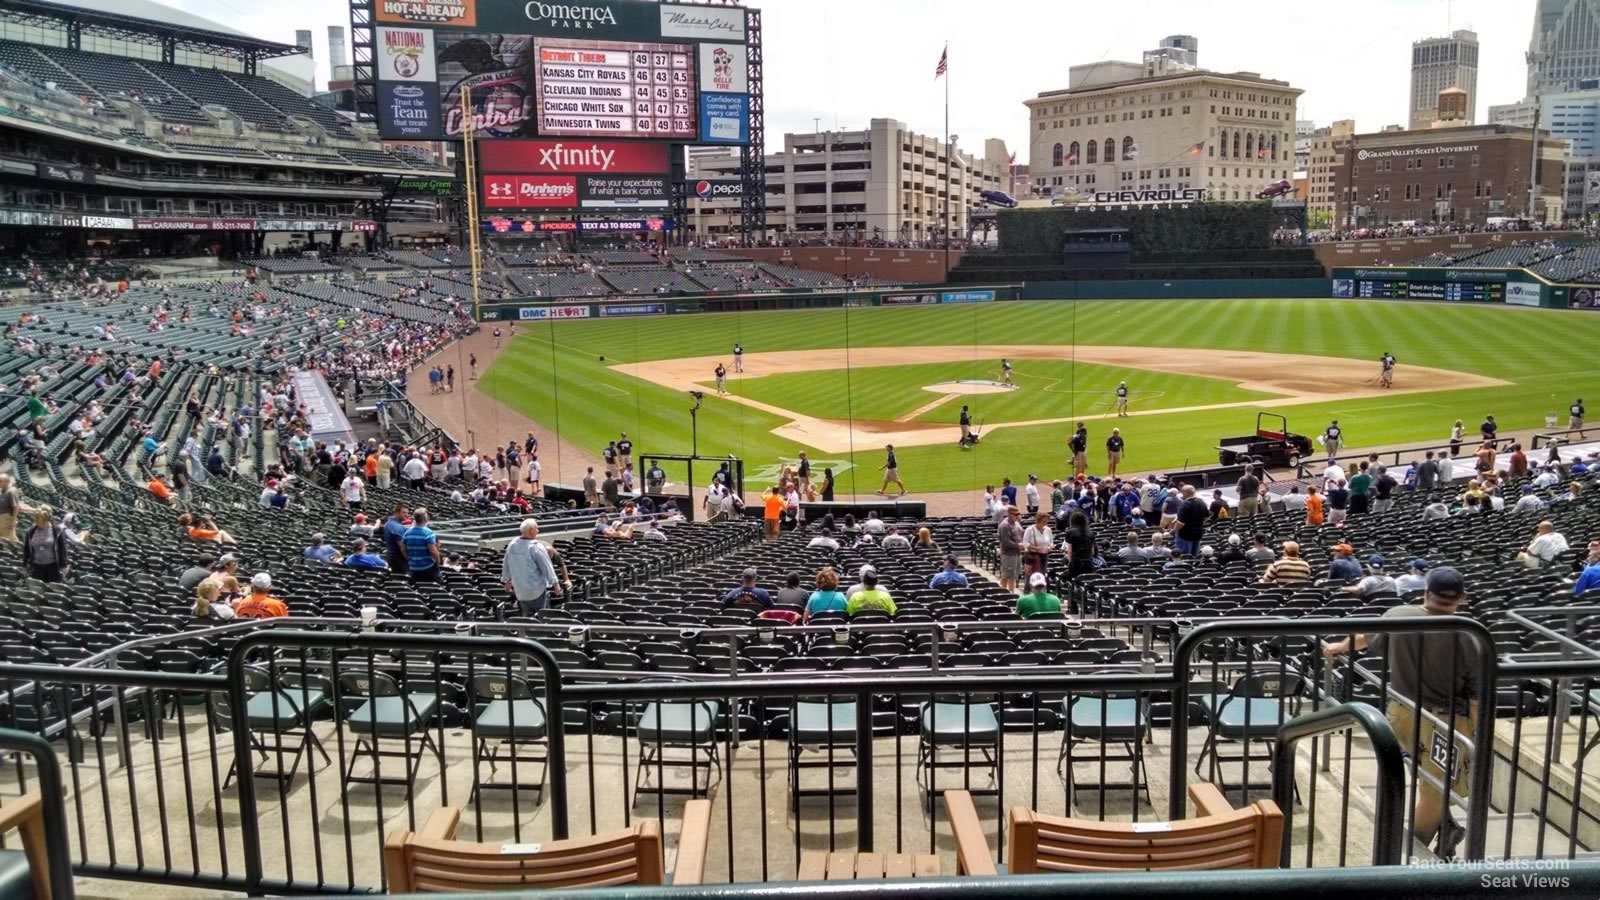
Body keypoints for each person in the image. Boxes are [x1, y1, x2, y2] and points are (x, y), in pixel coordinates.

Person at [1323, 567, 1477, 858]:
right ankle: (1410, 856)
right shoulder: (1471, 633)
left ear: (1426, 592)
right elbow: (1476, 701)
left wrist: (1338, 647)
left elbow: (1362, 639)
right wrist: (1479, 736)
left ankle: (1441, 829)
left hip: (1400, 715)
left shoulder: (1399, 614)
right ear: (1463, 597)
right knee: (1434, 792)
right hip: (1447, 725)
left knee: (1424, 784)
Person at [502, 519, 559, 616]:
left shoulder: (512, 545)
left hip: (520, 590)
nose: (538, 531)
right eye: (536, 528)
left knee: (527, 617)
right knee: (540, 616)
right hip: (536, 590)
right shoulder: (536, 547)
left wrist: (507, 581)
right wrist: (556, 584)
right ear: (531, 530)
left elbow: (506, 564)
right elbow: (546, 567)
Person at [23, 506, 69, 582]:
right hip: (36, 567)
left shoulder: (57, 531)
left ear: (47, 519)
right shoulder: (31, 531)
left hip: (53, 567)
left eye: (42, 521)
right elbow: (26, 549)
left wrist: (64, 565)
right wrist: (24, 565)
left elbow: (63, 549)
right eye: (37, 521)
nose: (39, 524)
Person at [402, 507, 440, 583]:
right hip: (427, 568)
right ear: (425, 518)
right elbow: (433, 551)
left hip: (413, 568)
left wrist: (409, 559)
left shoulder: (407, 532)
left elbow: (403, 549)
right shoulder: (429, 533)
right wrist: (438, 562)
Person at [1172, 485, 1208, 556]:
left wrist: (1173, 531)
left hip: (1185, 536)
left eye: (1182, 492)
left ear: (1186, 493)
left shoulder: (1185, 505)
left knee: (1185, 557)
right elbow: (1206, 517)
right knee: (1194, 556)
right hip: (1197, 534)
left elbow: (1180, 523)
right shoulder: (1201, 502)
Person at [997, 506, 1024, 591]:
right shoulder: (1004, 525)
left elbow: (1021, 534)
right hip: (1008, 554)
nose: (1017, 516)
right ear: (1009, 514)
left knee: (1011, 574)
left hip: (1017, 553)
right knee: (1009, 575)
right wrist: (1017, 545)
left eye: (1018, 514)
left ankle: (1003, 591)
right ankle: (1010, 593)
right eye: (1015, 514)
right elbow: (1005, 541)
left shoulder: (1016, 522)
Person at [0, 473, 26, 543]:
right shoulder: (3, 491)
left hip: (6, 520)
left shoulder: (11, 491)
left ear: (6, 481)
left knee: (10, 541)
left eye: (0, 481)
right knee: (5, 541)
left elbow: (16, 507)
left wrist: (13, 520)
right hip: (2, 520)